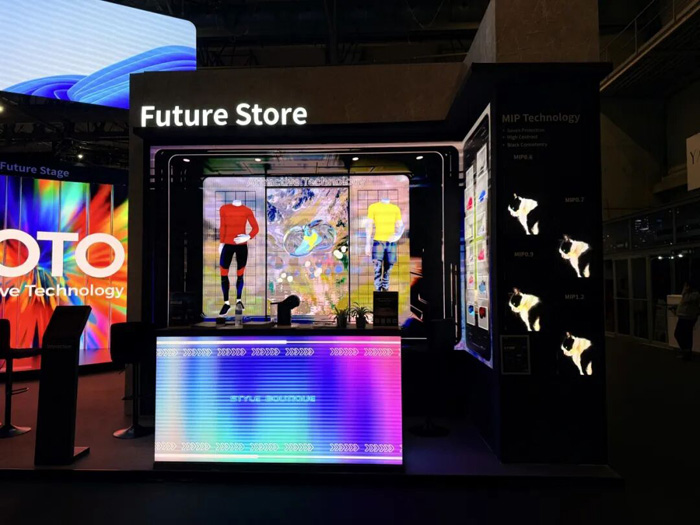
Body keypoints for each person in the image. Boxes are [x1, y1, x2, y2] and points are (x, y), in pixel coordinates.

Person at [673, 281, 700, 361]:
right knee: (684, 335)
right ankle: (686, 352)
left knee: (681, 334)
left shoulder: (695, 295)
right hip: (684, 317)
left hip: (688, 317)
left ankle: (686, 352)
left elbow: (685, 299)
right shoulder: (689, 294)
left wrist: (685, 290)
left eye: (686, 286)